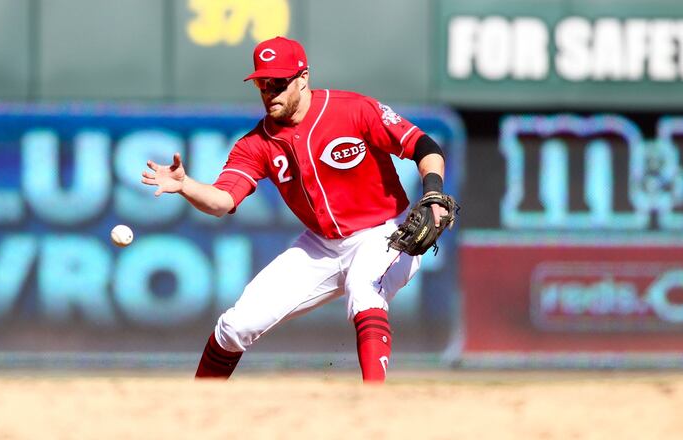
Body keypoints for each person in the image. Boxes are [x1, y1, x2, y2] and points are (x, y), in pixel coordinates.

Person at [141, 36, 451, 382]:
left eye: (278, 82)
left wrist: (434, 194)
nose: (269, 90)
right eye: (262, 82)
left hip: (384, 231)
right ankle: (194, 412)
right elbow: (222, 201)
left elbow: (423, 145)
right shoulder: (255, 144)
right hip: (321, 244)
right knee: (236, 325)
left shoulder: (353, 109)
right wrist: (186, 186)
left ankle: (374, 403)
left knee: (365, 290)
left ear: (303, 77)